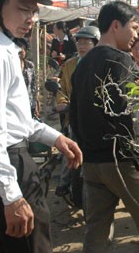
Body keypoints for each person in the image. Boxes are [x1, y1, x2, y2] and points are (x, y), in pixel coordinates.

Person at [0, 0, 82, 253]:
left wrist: (54, 138)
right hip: (7, 164)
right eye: (22, 9)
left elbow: (12, 116)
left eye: (34, 11)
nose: (31, 19)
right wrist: (11, 196)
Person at [69, 1, 139, 253]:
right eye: (133, 27)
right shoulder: (121, 62)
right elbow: (125, 117)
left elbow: (74, 115)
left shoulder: (83, 63)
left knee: (95, 231)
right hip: (120, 161)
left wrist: (85, 151)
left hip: (92, 164)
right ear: (116, 25)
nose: (135, 36)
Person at [55, 25, 100, 198]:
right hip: (74, 116)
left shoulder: (100, 64)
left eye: (86, 42)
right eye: (79, 42)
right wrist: (61, 103)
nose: (82, 46)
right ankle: (64, 182)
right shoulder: (69, 65)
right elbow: (62, 90)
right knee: (70, 147)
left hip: (96, 118)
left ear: (95, 44)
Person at [15, 37, 40, 118]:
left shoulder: (30, 66)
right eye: (17, 49)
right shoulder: (10, 65)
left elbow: (33, 85)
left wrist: (35, 102)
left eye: (22, 50)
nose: (20, 52)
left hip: (28, 102)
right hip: (14, 103)